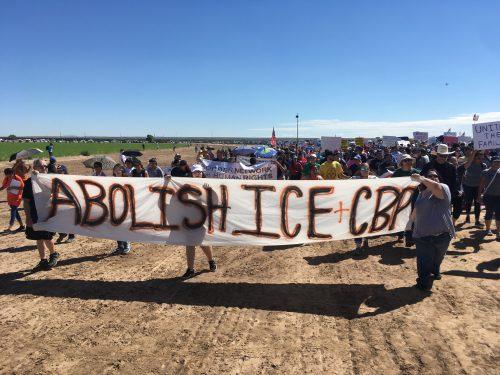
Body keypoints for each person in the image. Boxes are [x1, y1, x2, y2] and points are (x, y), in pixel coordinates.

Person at [409, 169, 455, 291]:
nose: (433, 178)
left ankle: (435, 270)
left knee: (438, 258)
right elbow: (415, 211)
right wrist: (409, 226)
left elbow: (435, 187)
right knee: (424, 261)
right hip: (422, 236)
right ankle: (424, 282)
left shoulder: (443, 188)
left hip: (443, 235)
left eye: (436, 176)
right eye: (430, 176)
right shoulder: (421, 194)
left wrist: (422, 178)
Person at [169, 164, 217, 278]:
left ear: (202, 173)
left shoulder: (207, 185)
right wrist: (168, 179)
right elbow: (176, 195)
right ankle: (190, 269)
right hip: (188, 219)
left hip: (201, 219)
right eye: (196, 172)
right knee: (189, 244)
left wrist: (208, 190)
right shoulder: (186, 185)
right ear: (192, 173)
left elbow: (214, 202)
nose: (198, 174)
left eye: (199, 172)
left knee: (202, 243)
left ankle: (211, 261)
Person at [22, 159, 59, 271]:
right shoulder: (29, 182)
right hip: (35, 214)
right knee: (38, 237)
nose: (44, 168)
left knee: (47, 236)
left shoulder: (50, 180)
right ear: (35, 168)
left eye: (45, 166)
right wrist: (28, 217)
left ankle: (53, 255)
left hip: (48, 214)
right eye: (41, 166)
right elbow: (26, 201)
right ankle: (43, 260)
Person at [421, 144, 461, 225]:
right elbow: (422, 179)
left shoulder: (451, 167)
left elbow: (455, 181)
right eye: (441, 155)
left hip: (446, 193)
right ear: (437, 155)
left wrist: (454, 192)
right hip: (431, 194)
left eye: (445, 156)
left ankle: (451, 223)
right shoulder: (428, 166)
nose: (443, 158)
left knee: (457, 203)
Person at [352, 163, 376, 252]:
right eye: (363, 169)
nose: (365, 171)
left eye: (366, 169)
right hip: (358, 207)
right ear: (360, 170)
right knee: (358, 226)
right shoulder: (355, 179)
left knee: (368, 224)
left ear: (369, 170)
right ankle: (358, 246)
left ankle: (366, 240)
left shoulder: (374, 179)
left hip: (370, 207)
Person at [110, 164, 131, 255]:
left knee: (123, 226)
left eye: (120, 169)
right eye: (116, 169)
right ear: (114, 171)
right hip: (114, 207)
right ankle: (120, 246)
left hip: (124, 206)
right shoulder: (110, 181)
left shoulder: (127, 180)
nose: (118, 171)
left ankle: (126, 245)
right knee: (115, 227)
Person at [461, 151, 486, 226]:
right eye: (479, 158)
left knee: (478, 203)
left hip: (478, 187)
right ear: (474, 158)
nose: (481, 159)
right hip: (468, 186)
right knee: (468, 202)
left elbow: (484, 177)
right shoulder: (469, 165)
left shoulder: (483, 166)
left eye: (482, 158)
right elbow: (462, 174)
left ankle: (477, 220)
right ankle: (468, 215)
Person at [477, 156, 500, 239]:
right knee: (489, 213)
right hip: (489, 196)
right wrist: (479, 196)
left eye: (499, 162)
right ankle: (488, 229)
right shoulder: (485, 172)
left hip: (499, 197)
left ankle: (498, 232)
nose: (497, 163)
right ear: (491, 162)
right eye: (495, 162)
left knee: (499, 214)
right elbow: (481, 184)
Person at [1, 168, 25, 232]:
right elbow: (3, 186)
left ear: (12, 173)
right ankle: (22, 226)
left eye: (9, 175)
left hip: (17, 197)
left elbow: (22, 187)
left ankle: (9, 228)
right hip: (10, 197)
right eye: (7, 175)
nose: (8, 176)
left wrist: (13, 187)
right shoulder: (6, 178)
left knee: (13, 212)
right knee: (15, 212)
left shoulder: (18, 178)